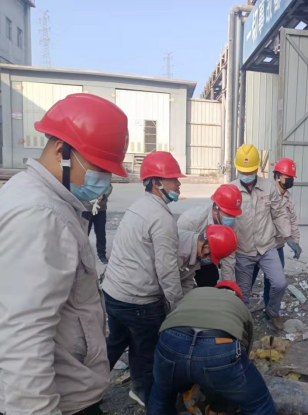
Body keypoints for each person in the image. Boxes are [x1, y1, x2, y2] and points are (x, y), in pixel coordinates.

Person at [0, 93, 129, 415]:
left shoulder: (40, 197)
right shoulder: (41, 215)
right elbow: (23, 337)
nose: (105, 181)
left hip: (70, 385)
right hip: (64, 401)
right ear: (62, 151)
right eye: (99, 167)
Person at [102, 151, 185, 406]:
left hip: (113, 293)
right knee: (148, 352)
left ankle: (86, 390)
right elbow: (167, 270)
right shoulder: (161, 218)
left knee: (116, 342)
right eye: (173, 179)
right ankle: (150, 399)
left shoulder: (138, 206)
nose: (178, 184)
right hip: (138, 301)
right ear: (156, 183)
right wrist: (177, 306)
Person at [147, 282, 277, 415]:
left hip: (171, 340)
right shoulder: (239, 305)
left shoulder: (195, 293)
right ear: (238, 296)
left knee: (161, 398)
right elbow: (245, 348)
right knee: (260, 404)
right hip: (219, 347)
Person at [231, 144, 301, 330]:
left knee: (280, 283)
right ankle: (242, 323)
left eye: (250, 171)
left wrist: (288, 236)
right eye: (243, 171)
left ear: (256, 169)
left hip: (267, 247)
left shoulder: (268, 187)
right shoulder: (230, 189)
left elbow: (279, 213)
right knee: (243, 293)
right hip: (244, 250)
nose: (247, 174)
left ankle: (272, 311)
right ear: (237, 168)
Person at [252, 158, 301, 309]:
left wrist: (295, 242)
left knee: (274, 283)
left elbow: (293, 221)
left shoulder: (288, 198)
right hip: (256, 246)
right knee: (247, 281)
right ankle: (239, 310)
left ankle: (270, 313)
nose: (290, 180)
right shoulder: (264, 193)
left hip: (277, 246)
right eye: (288, 177)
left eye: (292, 177)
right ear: (278, 176)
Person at [177, 184, 242, 288]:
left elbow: (228, 257)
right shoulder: (191, 220)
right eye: (228, 214)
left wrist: (227, 285)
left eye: (234, 215)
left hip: (208, 262)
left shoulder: (233, 226)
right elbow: (177, 249)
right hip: (184, 261)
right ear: (215, 209)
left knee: (209, 286)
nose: (231, 219)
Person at [83, 184, 113, 264]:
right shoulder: (82, 176)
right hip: (86, 208)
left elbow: (109, 187)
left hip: (100, 208)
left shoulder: (103, 177)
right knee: (84, 233)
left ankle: (101, 254)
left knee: (101, 233)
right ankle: (82, 254)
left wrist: (103, 195)